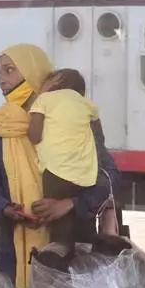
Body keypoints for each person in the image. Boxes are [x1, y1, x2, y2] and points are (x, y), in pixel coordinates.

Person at [0, 44, 120, 288]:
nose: (3, 80)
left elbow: (109, 176)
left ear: (35, 73)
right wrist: (6, 208)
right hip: (16, 255)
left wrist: (69, 204)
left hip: (73, 250)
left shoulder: (75, 118)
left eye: (9, 70)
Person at [28, 68, 103, 256]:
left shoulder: (44, 99)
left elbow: (35, 136)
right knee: (83, 223)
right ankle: (85, 254)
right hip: (85, 173)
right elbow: (98, 138)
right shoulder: (88, 105)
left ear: (56, 81)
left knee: (60, 229)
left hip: (55, 171)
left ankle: (60, 256)